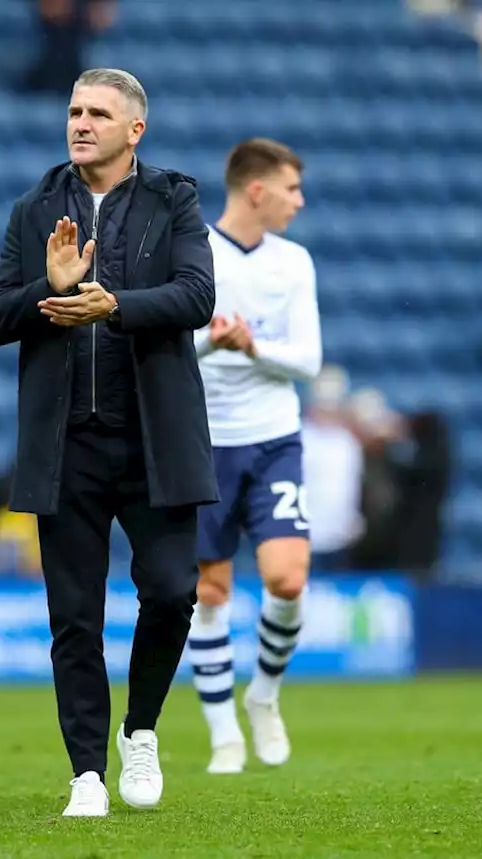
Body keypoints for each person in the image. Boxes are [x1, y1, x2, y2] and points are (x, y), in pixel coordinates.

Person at [0, 68, 217, 817]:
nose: (80, 123)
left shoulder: (175, 198)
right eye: (74, 110)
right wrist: (47, 296)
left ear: (133, 129)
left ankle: (139, 729)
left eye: (98, 113)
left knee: (174, 590)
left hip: (155, 438)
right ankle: (87, 772)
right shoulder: (35, 206)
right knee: (73, 615)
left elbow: (197, 296)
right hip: (65, 442)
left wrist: (116, 306)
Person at [183, 138, 320, 776]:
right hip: (201, 443)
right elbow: (166, 350)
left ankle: (263, 693)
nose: (299, 201)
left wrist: (252, 347)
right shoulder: (195, 256)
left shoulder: (294, 263)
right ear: (257, 190)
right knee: (209, 589)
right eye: (291, 189)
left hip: (271, 439)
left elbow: (308, 361)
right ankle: (223, 737)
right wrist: (214, 344)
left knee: (287, 579)